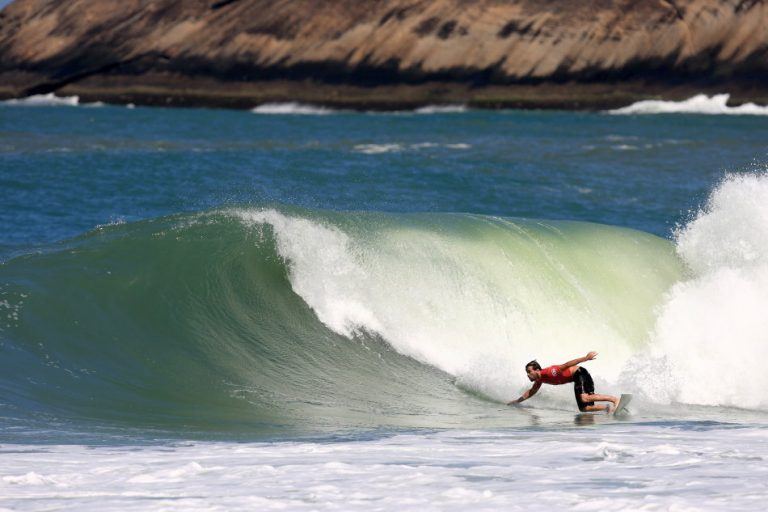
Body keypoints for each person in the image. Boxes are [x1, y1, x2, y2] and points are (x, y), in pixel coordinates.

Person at [507, 351, 619, 412]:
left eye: (529, 371)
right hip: (576, 379)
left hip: (580, 373)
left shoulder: (550, 372)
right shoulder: (539, 380)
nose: (527, 374)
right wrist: (517, 401)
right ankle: (609, 408)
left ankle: (614, 399)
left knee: (584, 398)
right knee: (584, 408)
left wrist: (586, 358)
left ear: (537, 370)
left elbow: (566, 365)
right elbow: (530, 392)